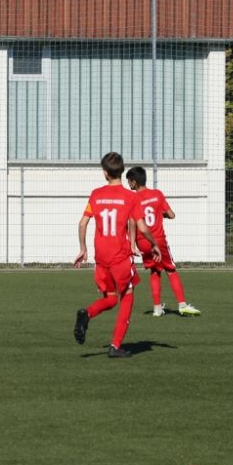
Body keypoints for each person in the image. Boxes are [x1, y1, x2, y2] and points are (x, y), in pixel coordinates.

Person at [73, 152, 162, 358]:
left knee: (111, 299)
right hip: (119, 256)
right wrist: (154, 244)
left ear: (105, 173)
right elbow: (142, 226)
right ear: (122, 171)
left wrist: (83, 249)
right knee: (128, 296)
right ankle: (115, 346)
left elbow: (83, 223)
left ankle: (87, 314)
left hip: (101, 258)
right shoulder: (130, 197)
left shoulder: (96, 195)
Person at [125, 166, 201, 317]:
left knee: (154, 271)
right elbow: (171, 214)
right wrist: (161, 215)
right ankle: (182, 305)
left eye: (128, 181)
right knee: (170, 270)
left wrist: (132, 245)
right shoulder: (157, 194)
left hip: (142, 241)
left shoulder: (132, 199)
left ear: (134, 182)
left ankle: (157, 308)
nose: (128, 184)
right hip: (157, 240)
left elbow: (132, 223)